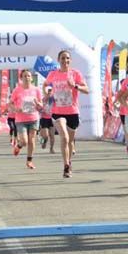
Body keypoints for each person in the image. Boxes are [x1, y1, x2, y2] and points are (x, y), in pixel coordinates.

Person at [42, 49, 90, 178]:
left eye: (67, 58)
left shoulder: (75, 74)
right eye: (63, 58)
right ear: (58, 60)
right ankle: (66, 166)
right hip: (58, 112)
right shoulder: (53, 74)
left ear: (70, 60)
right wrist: (47, 94)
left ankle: (69, 161)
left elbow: (87, 90)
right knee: (65, 138)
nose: (65, 60)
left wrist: (75, 86)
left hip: (72, 112)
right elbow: (46, 85)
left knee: (70, 141)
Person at [9, 69, 43, 170]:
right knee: (24, 141)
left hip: (34, 118)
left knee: (32, 140)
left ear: (31, 78)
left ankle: (29, 161)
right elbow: (10, 103)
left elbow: (41, 105)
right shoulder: (17, 90)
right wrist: (16, 109)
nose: (27, 78)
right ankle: (18, 146)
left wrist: (38, 104)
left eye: (29, 76)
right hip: (21, 119)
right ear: (21, 78)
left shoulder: (36, 90)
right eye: (25, 76)